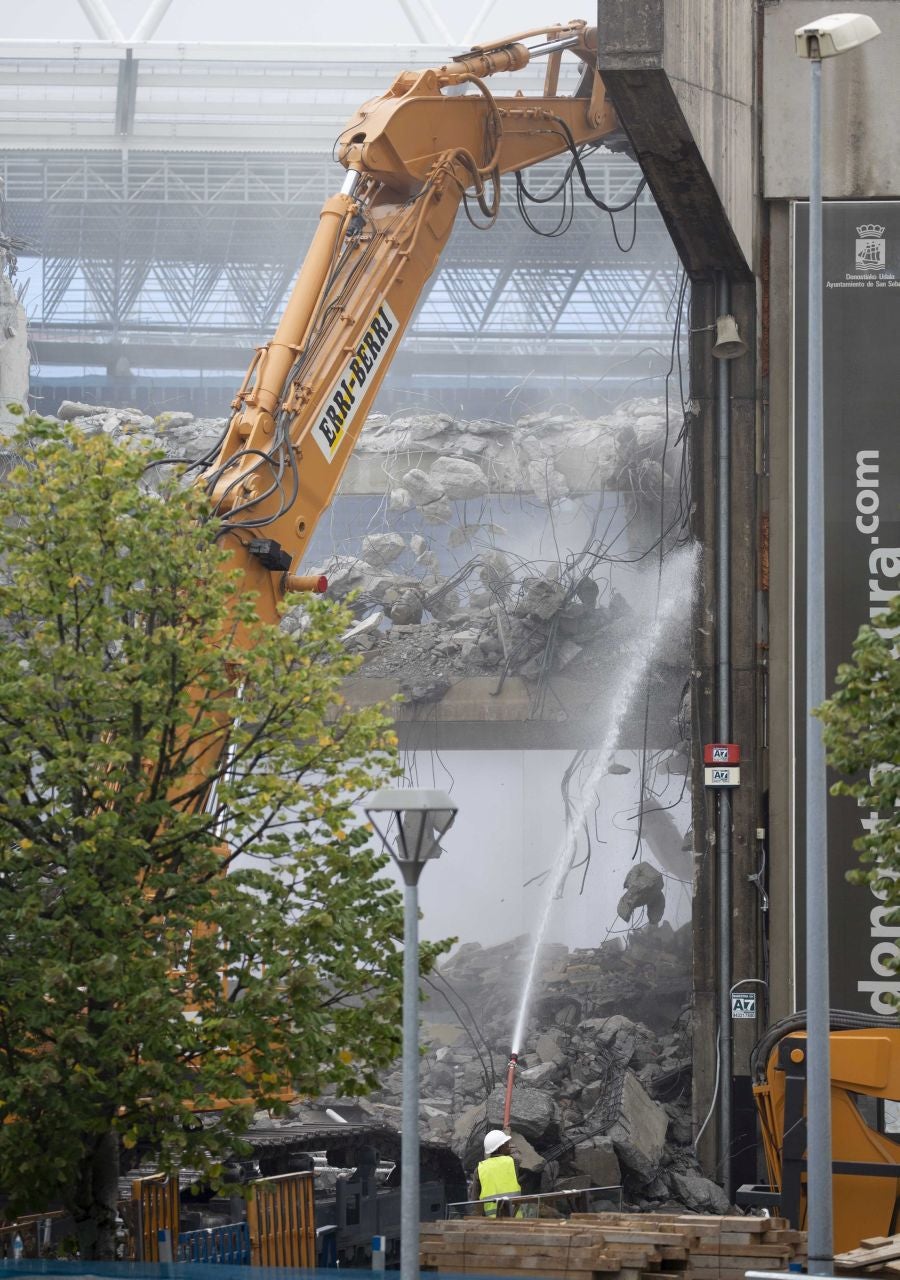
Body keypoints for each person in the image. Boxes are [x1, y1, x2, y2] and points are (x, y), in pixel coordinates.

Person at [472, 1130, 522, 1218]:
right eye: (506, 1144)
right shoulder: (512, 1162)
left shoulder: (480, 1169)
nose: (508, 1146)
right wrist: (508, 1135)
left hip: (490, 1222)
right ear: (500, 1147)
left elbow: (475, 1200)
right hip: (514, 1219)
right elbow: (517, 1155)